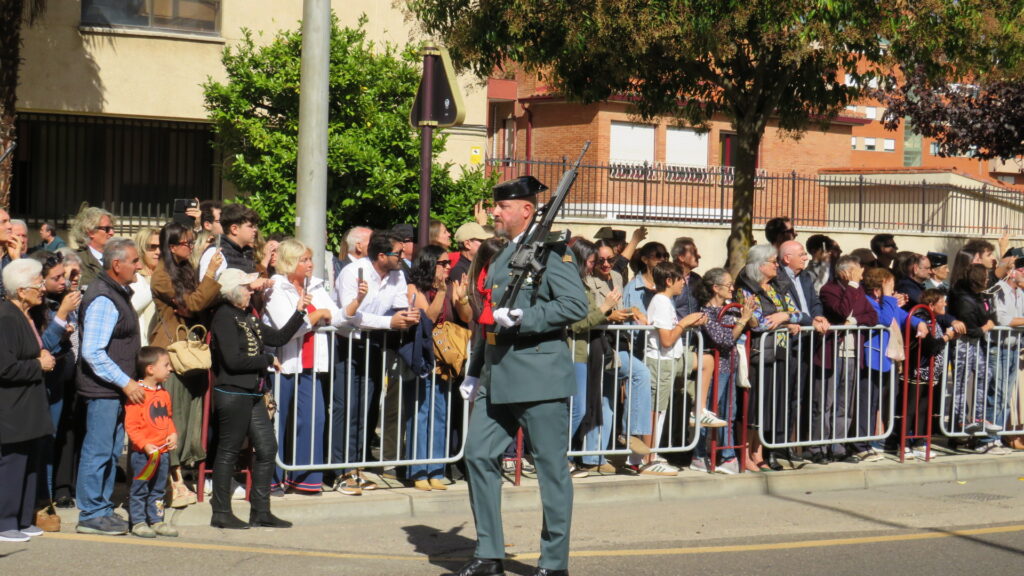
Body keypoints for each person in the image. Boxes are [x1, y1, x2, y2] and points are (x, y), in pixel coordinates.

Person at [456, 175, 588, 576]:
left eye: (503, 207)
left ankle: (553, 562)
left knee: (550, 470)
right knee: (478, 454)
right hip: (498, 377)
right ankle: (489, 553)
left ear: (526, 210)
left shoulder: (552, 252)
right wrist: (475, 369)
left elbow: (574, 304)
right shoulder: (500, 256)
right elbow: (487, 318)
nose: (495, 212)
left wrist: (526, 318)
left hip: (539, 376)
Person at [209, 268, 307, 529]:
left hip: (253, 391)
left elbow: (277, 337)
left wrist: (299, 312)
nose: (251, 291)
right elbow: (232, 360)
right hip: (232, 391)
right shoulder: (223, 316)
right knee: (228, 451)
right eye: (246, 287)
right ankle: (220, 511)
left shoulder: (246, 316)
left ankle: (260, 510)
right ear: (232, 291)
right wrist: (266, 359)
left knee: (267, 449)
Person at [332, 230, 420, 495]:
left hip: (373, 344)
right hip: (346, 344)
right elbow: (350, 315)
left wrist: (408, 313)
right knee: (345, 407)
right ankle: (340, 471)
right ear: (381, 255)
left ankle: (356, 468)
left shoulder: (397, 274)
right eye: (398, 253)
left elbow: (398, 301)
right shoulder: (354, 272)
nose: (402, 257)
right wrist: (389, 322)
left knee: (367, 407)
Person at [150, 222, 223, 507]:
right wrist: (211, 274)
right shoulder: (161, 276)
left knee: (191, 420)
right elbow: (193, 305)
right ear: (171, 247)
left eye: (192, 243)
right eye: (186, 243)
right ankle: (173, 483)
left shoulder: (184, 270)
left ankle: (182, 479)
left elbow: (198, 302)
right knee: (174, 418)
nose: (190, 247)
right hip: (170, 353)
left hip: (191, 353)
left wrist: (204, 286)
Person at [75, 237, 144, 536]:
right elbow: (92, 351)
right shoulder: (103, 296)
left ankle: (102, 509)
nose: (139, 265)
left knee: (111, 451)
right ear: (117, 265)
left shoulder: (115, 292)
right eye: (134, 261)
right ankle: (90, 513)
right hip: (103, 390)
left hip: (113, 390)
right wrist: (126, 382)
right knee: (99, 451)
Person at [264, 239, 344, 494]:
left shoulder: (315, 285)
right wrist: (317, 315)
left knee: (314, 420)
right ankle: (273, 479)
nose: (310, 264)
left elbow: (338, 316)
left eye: (310, 259)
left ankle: (305, 480)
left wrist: (357, 302)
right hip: (283, 364)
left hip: (311, 364)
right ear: (289, 262)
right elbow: (284, 329)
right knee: (278, 422)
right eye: (304, 260)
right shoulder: (276, 286)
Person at [582, 241, 652, 474]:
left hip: (617, 342)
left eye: (610, 259)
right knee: (639, 373)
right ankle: (630, 432)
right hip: (598, 343)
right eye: (600, 260)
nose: (605, 264)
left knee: (606, 402)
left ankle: (595, 458)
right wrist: (610, 314)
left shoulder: (617, 276)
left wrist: (634, 312)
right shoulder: (587, 279)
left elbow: (622, 307)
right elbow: (592, 312)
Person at [404, 245, 470, 490]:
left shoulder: (451, 285)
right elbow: (427, 318)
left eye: (447, 263)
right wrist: (441, 293)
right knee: (421, 412)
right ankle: (419, 471)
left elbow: (466, 315)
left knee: (441, 412)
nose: (447, 267)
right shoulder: (415, 288)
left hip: (444, 358)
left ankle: (437, 469)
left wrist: (461, 297)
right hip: (422, 356)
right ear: (430, 264)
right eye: (443, 263)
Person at [0, 258, 56, 542]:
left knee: (30, 461)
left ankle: (22, 518)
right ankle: (5, 520)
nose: (42, 288)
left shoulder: (25, 315)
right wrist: (39, 364)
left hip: (28, 404)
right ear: (21, 290)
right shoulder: (6, 317)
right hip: (12, 405)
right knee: (13, 462)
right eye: (38, 283)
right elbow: (4, 367)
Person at [643, 261, 716, 474]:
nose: (684, 284)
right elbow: (666, 340)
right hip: (660, 361)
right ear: (669, 281)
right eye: (680, 280)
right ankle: (650, 458)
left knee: (706, 361)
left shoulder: (666, 301)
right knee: (657, 411)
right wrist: (685, 323)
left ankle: (698, 411)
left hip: (673, 358)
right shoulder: (661, 301)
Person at [735, 244, 802, 471]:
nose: (777, 265)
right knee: (753, 405)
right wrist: (784, 319)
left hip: (779, 351)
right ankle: (745, 453)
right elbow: (758, 323)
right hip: (757, 353)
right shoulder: (746, 289)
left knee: (769, 405)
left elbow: (799, 313)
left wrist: (784, 316)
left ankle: (759, 451)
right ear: (760, 265)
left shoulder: (777, 287)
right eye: (773, 262)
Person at [27, 251, 80, 519]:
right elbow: (41, 346)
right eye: (56, 277)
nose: (63, 282)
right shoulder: (34, 306)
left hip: (59, 378)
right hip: (39, 381)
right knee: (40, 441)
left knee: (51, 439)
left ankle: (45, 500)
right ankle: (38, 500)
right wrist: (60, 317)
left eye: (64, 276)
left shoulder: (58, 301)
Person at [856, 267, 928, 462]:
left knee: (881, 402)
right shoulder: (869, 301)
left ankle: (875, 440)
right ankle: (861, 444)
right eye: (888, 286)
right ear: (877, 289)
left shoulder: (885, 301)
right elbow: (886, 319)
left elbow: (902, 315)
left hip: (886, 361)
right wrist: (888, 297)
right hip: (871, 360)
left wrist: (918, 323)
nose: (892, 290)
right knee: (867, 403)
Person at [691, 268, 755, 474]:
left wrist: (747, 313)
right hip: (714, 369)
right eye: (728, 285)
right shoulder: (706, 313)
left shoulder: (730, 309)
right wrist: (742, 321)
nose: (732, 288)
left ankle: (728, 457)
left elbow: (753, 324)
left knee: (730, 411)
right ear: (715, 288)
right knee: (708, 411)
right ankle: (699, 454)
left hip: (731, 367)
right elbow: (724, 341)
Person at [818, 255, 879, 463]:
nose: (862, 275)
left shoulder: (859, 290)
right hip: (833, 353)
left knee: (845, 404)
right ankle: (821, 447)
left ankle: (838, 446)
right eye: (857, 271)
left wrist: (853, 320)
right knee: (827, 402)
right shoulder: (829, 290)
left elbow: (872, 317)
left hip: (853, 354)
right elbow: (841, 310)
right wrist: (852, 285)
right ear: (846, 273)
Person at [948, 263, 1005, 453]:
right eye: (986, 277)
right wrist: (984, 328)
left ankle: (979, 417)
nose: (988, 280)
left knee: (984, 373)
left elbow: (988, 315)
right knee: (961, 382)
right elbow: (970, 325)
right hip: (963, 343)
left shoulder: (978, 295)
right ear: (977, 279)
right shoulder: (962, 297)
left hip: (976, 342)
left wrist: (985, 324)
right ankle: (960, 420)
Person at [124, 347, 179, 538]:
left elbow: (167, 418)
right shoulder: (138, 394)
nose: (170, 369)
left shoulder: (164, 393)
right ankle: (138, 521)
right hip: (144, 455)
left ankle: (157, 520)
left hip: (162, 453)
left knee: (158, 488)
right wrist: (144, 445)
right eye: (166, 365)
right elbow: (131, 426)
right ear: (150, 369)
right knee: (140, 487)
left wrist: (172, 434)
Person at [70, 206, 116, 289]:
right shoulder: (77, 260)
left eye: (112, 228)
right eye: (107, 229)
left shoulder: (116, 257)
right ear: (91, 232)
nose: (112, 233)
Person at [130, 227, 161, 346]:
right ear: (140, 249)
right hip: (142, 347)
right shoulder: (134, 278)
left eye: (161, 247)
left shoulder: (166, 276)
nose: (158, 251)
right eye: (152, 247)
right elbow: (133, 307)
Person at [669, 236, 703, 317]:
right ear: (681, 257)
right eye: (694, 252)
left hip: (694, 329)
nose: (699, 256)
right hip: (674, 328)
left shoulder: (697, 279)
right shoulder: (669, 278)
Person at [0, 208, 17, 300]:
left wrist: (16, 260)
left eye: (9, 221)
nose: (10, 226)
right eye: (4, 222)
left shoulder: (16, 257)